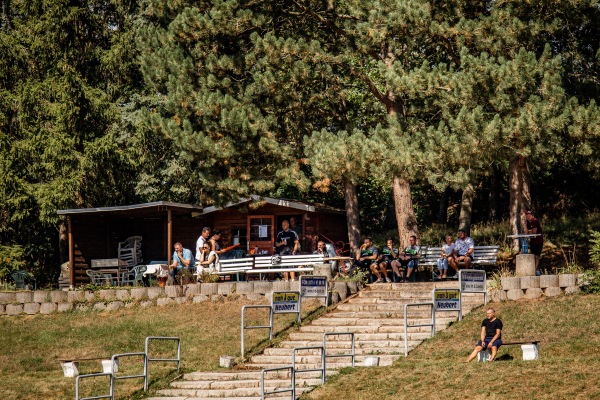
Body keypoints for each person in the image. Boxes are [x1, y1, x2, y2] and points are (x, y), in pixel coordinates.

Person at [523, 210, 543, 276]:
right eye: (526, 216)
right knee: (533, 256)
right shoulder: (528, 223)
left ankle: (536, 270)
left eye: (529, 215)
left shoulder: (535, 221)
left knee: (536, 256)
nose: (527, 217)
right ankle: (535, 270)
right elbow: (526, 233)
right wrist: (525, 225)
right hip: (533, 242)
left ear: (532, 215)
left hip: (538, 242)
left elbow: (534, 233)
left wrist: (528, 232)